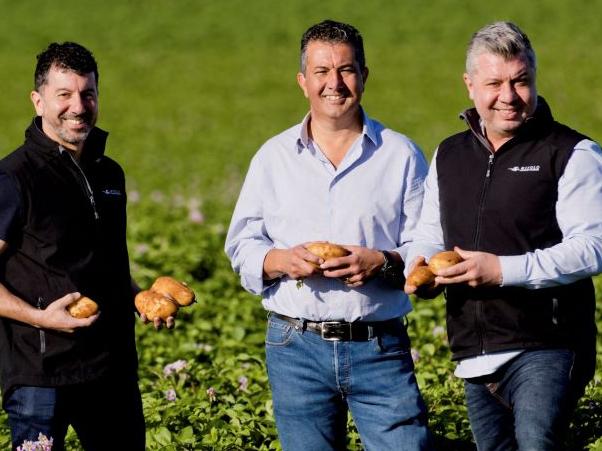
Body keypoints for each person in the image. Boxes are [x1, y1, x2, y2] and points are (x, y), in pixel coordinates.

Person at [226, 19, 432, 451]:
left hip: (379, 343)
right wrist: (279, 261)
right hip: (294, 346)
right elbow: (242, 244)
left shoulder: (401, 155)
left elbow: (428, 246)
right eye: (321, 71)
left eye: (346, 69)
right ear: (303, 81)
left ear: (364, 76)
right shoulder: (274, 157)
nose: (334, 83)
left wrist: (383, 262)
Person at [405, 21, 602, 450]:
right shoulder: (449, 155)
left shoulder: (572, 153)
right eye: (494, 82)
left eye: (521, 81)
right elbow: (428, 234)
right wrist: (418, 268)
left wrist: (501, 271)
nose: (508, 96)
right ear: (470, 85)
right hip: (473, 353)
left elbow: (591, 249)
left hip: (547, 344)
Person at [0, 42, 164, 450]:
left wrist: (139, 298)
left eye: (87, 94)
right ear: (38, 101)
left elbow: (105, 264)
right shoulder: (14, 177)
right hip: (41, 374)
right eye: (64, 95)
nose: (78, 106)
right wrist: (41, 318)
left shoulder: (109, 173)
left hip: (110, 369)